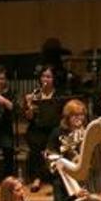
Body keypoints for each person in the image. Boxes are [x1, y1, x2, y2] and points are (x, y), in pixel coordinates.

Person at [22, 65, 60, 193]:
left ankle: (54, 176)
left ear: (53, 79)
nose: (45, 79)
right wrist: (28, 106)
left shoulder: (58, 94)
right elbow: (29, 117)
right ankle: (37, 178)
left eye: (48, 76)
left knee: (53, 140)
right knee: (35, 142)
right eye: (43, 76)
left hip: (54, 127)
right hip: (38, 127)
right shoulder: (35, 95)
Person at [45, 99, 88, 201]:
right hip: (64, 175)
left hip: (84, 174)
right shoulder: (57, 132)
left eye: (81, 115)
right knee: (59, 186)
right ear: (67, 117)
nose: (79, 118)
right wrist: (66, 161)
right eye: (75, 115)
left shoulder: (87, 132)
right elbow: (49, 154)